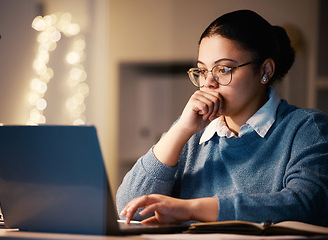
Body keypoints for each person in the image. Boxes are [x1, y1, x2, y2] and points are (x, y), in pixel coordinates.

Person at [116, 9, 328, 227]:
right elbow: (129, 211)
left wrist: (191, 209)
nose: (208, 83)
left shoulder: (305, 127)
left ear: (265, 70)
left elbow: (306, 204)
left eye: (223, 69)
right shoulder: (191, 133)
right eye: (202, 71)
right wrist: (180, 130)